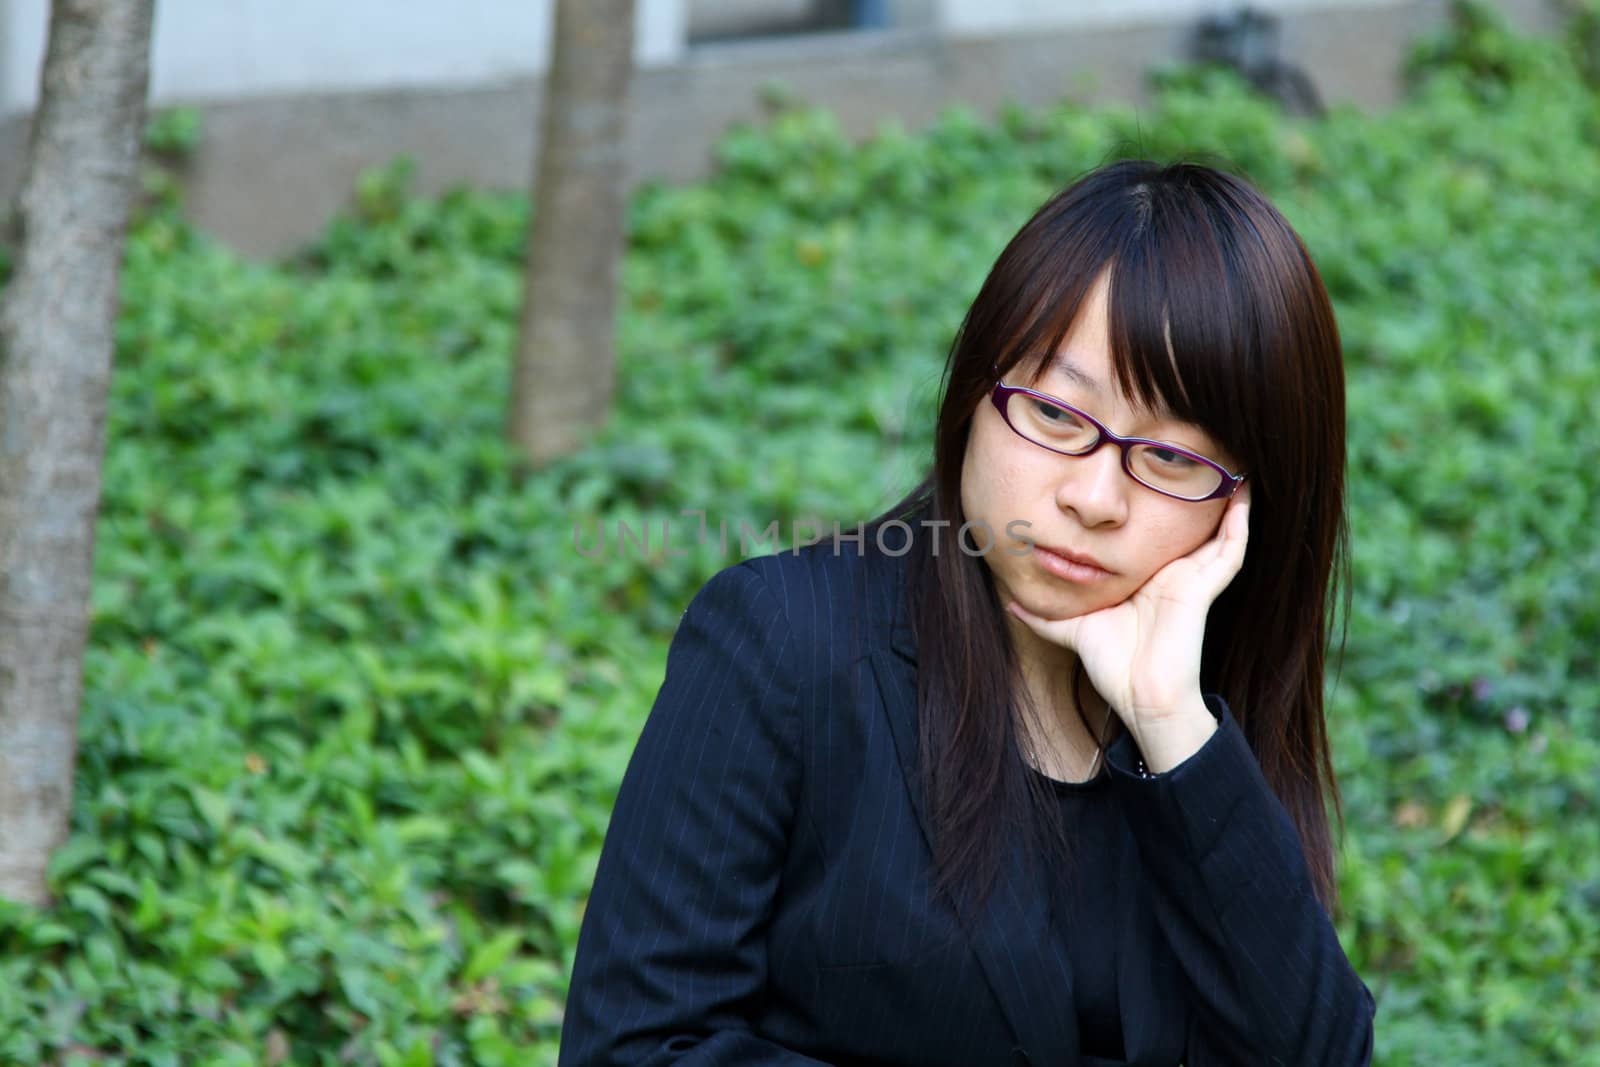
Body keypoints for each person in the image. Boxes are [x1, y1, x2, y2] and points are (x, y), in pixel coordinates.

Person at [558, 159, 1378, 1066]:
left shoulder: (1205, 701)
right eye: (1058, 415)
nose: (1096, 496)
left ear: (1247, 505)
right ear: (974, 396)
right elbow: (632, 1048)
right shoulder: (782, 644)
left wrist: (1172, 725)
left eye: (1174, 460)